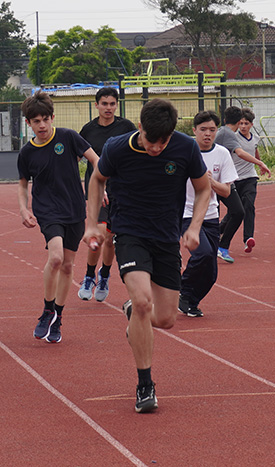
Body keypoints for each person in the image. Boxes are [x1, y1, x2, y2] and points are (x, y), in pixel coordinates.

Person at [83, 98, 210, 413]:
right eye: (151, 141)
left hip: (166, 238)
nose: (156, 148)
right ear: (140, 127)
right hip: (129, 233)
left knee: (165, 319)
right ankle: (145, 385)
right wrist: (92, 224)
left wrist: (194, 228)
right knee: (143, 302)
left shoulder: (185, 148)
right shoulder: (117, 148)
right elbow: (97, 179)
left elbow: (204, 188)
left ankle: (133, 312)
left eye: (162, 142)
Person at [17, 91, 99, 344]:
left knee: (67, 266)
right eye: (35, 121)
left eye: (45, 119)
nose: (41, 125)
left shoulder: (68, 137)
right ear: (28, 123)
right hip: (47, 210)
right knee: (55, 257)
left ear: (52, 118)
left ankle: (58, 318)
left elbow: (97, 162)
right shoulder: (27, 153)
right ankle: (47, 310)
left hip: (74, 209)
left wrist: (104, 189)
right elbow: (22, 184)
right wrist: (23, 208)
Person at [77, 87, 136, 302]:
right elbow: (76, 159)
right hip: (96, 190)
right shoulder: (88, 130)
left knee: (111, 240)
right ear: (97, 105)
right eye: (104, 104)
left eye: (112, 104)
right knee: (99, 236)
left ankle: (104, 275)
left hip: (120, 190)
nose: (108, 108)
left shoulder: (126, 128)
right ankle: (89, 275)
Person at [179, 111, 238, 318]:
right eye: (203, 130)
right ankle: (182, 287)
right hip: (186, 214)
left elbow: (227, 191)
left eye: (212, 130)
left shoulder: (222, 154)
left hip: (211, 216)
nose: (207, 134)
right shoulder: (184, 150)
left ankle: (190, 301)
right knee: (202, 254)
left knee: (211, 273)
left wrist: (209, 181)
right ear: (194, 131)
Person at [214, 106, 270, 263]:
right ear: (239, 122)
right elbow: (240, 153)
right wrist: (261, 163)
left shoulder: (227, 133)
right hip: (215, 181)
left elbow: (251, 151)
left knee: (239, 210)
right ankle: (211, 245)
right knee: (214, 213)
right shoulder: (227, 134)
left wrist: (257, 163)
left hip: (228, 179)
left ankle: (223, 246)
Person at [225, 107, 262, 254]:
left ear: (251, 125)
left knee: (249, 205)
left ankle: (248, 238)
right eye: (241, 123)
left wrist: (260, 164)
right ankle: (220, 230)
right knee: (234, 212)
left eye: (246, 123)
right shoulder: (233, 138)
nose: (243, 126)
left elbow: (255, 150)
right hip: (234, 179)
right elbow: (238, 153)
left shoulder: (256, 137)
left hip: (250, 177)